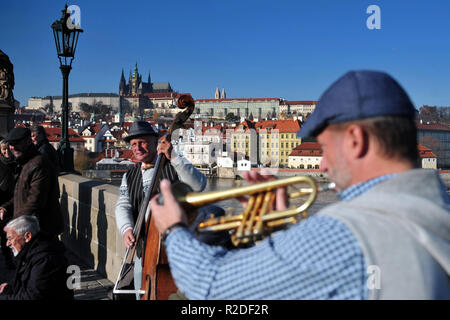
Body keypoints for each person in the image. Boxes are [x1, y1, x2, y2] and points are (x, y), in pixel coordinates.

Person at [150, 70, 450, 300]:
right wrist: (279, 234)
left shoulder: (342, 233)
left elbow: (210, 286)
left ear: (356, 140)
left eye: (324, 147)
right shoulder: (439, 213)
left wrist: (174, 229)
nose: (321, 164)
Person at [114, 120, 207, 298]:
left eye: (142, 142)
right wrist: (126, 228)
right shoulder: (129, 175)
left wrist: (174, 156)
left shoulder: (174, 164)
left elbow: (199, 185)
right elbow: (123, 204)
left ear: (154, 142)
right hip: (143, 251)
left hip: (177, 251)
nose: (137, 148)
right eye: (134, 144)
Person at [0, 127, 63, 239]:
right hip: (29, 227)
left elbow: (35, 200)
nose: (12, 147)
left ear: (27, 142)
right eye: (10, 144)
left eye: (15, 143)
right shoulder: (25, 163)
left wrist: (15, 225)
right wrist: (6, 207)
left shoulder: (38, 164)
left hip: (40, 229)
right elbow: (22, 195)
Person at [0, 215, 73, 300]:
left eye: (10, 238)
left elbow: (33, 296)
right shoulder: (29, 252)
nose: (7, 244)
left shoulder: (44, 259)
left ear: (27, 237)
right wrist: (11, 287)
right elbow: (28, 281)